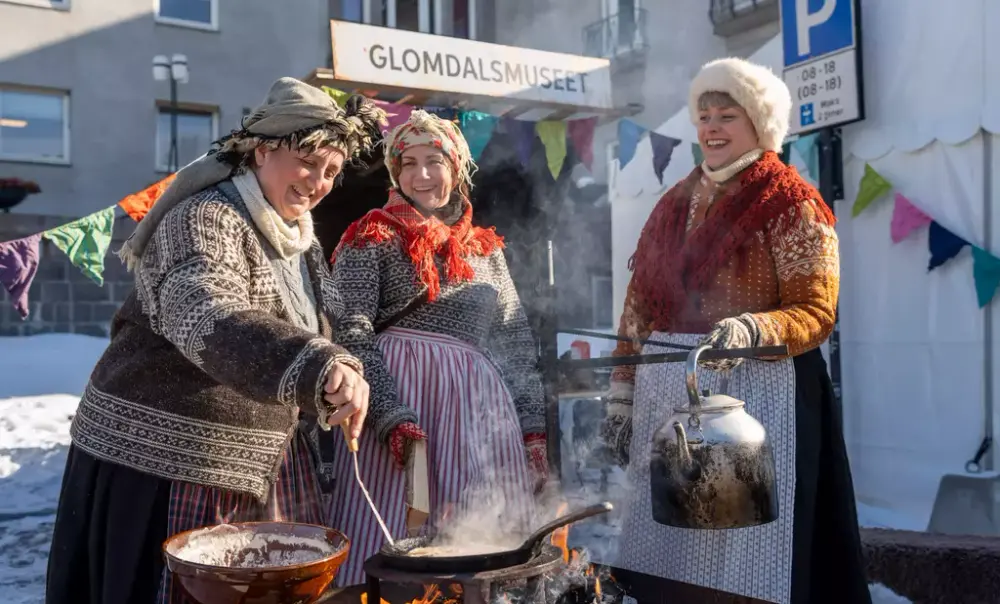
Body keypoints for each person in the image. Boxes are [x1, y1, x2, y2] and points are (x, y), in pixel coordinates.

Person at [45, 78, 386, 604]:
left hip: (261, 456)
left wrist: (356, 369)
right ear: (263, 150)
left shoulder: (299, 237)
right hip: (168, 460)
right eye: (308, 162)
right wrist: (317, 363)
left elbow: (331, 321)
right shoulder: (205, 216)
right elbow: (205, 311)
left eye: (331, 171)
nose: (318, 182)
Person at [601, 58, 871, 604]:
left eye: (727, 115)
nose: (711, 128)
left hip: (758, 399)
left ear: (759, 124)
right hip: (666, 394)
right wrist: (621, 400)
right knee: (670, 557)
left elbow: (816, 311)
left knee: (750, 560)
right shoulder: (672, 204)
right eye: (704, 116)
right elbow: (639, 311)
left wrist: (750, 329)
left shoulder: (793, 202)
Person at [328, 110, 548, 585]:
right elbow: (350, 332)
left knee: (482, 538)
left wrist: (532, 429)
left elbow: (514, 341)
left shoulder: (485, 249)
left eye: (434, 161)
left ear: (457, 167)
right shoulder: (372, 234)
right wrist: (390, 414)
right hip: (399, 400)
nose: (421, 175)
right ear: (394, 172)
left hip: (478, 410)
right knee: (393, 535)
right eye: (408, 163)